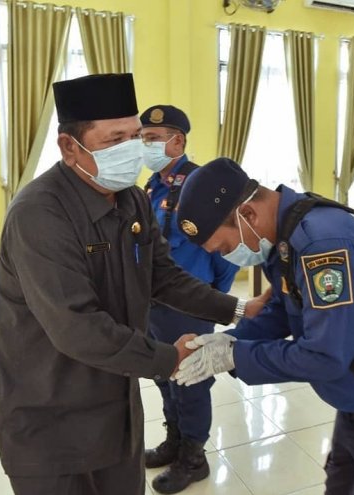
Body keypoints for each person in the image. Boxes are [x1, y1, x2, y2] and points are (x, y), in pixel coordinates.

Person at [0, 74, 266, 495]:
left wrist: (239, 309)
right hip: (50, 409)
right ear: (69, 147)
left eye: (135, 136)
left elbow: (162, 276)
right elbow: (75, 325)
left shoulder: (131, 199)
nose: (131, 148)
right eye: (114, 139)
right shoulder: (39, 214)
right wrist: (170, 359)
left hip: (115, 400)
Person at [173, 158, 354, 494]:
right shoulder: (286, 235)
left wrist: (235, 356)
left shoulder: (323, 245)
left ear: (248, 215)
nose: (228, 257)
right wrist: (225, 343)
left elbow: (325, 356)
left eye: (225, 248)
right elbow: (284, 311)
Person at [140, 105, 239, 493]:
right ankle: (174, 441)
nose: (145, 145)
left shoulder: (201, 184)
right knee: (165, 374)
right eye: (143, 138)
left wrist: (212, 297)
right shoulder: (152, 186)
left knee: (192, 382)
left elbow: (226, 250)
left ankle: (193, 458)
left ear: (177, 140)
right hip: (156, 302)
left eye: (152, 138)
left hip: (191, 304)